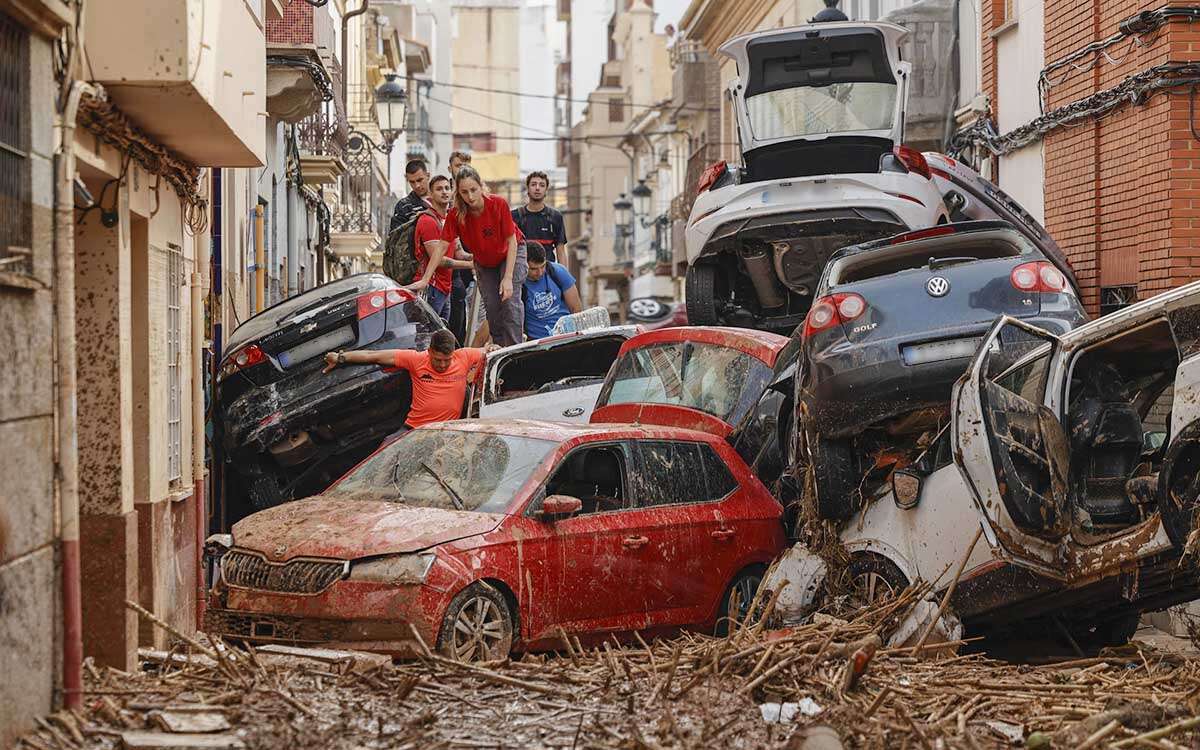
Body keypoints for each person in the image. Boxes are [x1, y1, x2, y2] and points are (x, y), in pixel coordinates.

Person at [323, 329, 497, 431]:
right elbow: (373, 355)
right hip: (413, 430)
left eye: (447, 360)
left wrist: (494, 348)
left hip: (445, 432)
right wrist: (340, 358)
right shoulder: (416, 359)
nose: (443, 365)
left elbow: (491, 351)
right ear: (429, 351)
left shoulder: (464, 357)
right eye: (438, 360)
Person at [436, 166, 528, 347]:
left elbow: (512, 242)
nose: (470, 196)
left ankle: (515, 347)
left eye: (473, 190)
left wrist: (508, 278)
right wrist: (424, 279)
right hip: (485, 262)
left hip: (511, 252)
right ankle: (501, 348)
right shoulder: (456, 214)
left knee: (509, 301)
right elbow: (441, 246)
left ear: (481, 186)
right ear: (459, 193)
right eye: (464, 192)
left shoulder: (498, 203)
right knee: (492, 307)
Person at [406, 175, 472, 322]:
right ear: (430, 194)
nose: (444, 192)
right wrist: (471, 265)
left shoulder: (449, 220)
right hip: (430, 288)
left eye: (447, 188)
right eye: (439, 189)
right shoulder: (427, 221)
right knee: (428, 336)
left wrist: (477, 257)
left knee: (441, 337)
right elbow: (439, 261)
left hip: (445, 288)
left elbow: (460, 253)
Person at [522, 243, 582, 339]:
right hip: (537, 342)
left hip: (566, 336)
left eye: (542, 266)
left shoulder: (558, 272)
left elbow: (576, 309)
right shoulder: (519, 284)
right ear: (523, 265)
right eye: (534, 269)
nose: (540, 272)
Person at [447, 150, 474, 344]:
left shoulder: (474, 193)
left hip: (468, 267)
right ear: (450, 168)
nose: (462, 169)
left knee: (466, 321)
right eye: (458, 165)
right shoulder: (443, 191)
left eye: (466, 165)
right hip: (448, 269)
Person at [512, 171, 567, 264]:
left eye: (542, 185)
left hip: (547, 271)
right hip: (522, 273)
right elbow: (509, 247)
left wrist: (564, 276)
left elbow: (560, 250)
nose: (537, 188)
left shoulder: (555, 216)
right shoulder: (514, 216)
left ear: (546, 190)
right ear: (527, 189)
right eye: (533, 184)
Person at [389, 159, 432, 233]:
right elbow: (395, 237)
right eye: (412, 182)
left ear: (428, 176)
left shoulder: (442, 199)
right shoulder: (403, 206)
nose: (417, 185)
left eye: (420, 180)